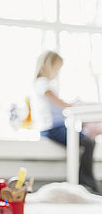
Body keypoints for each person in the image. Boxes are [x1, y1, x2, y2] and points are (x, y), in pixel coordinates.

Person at [32, 50, 100, 193]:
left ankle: (87, 180)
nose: (57, 72)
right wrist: (73, 105)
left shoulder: (46, 84)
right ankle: (86, 182)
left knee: (88, 142)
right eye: (56, 68)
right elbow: (59, 103)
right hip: (51, 129)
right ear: (48, 65)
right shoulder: (42, 83)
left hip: (57, 127)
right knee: (87, 142)